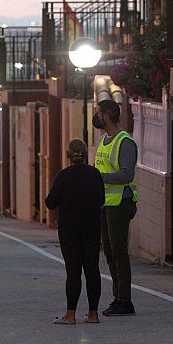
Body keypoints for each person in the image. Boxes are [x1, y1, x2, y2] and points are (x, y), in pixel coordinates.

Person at [45, 139, 105, 324]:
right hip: (92, 227)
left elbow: (50, 202)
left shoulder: (64, 176)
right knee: (92, 269)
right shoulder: (95, 174)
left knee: (73, 272)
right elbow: (102, 199)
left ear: (67, 155)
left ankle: (70, 315)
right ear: (86, 154)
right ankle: (93, 314)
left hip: (69, 229)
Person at [93, 99, 138, 316]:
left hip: (120, 203)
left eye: (98, 113)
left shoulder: (125, 142)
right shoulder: (103, 140)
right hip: (106, 204)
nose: (96, 116)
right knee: (110, 253)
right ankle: (117, 297)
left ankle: (125, 301)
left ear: (107, 115)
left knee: (119, 253)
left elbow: (127, 174)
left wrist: (99, 178)